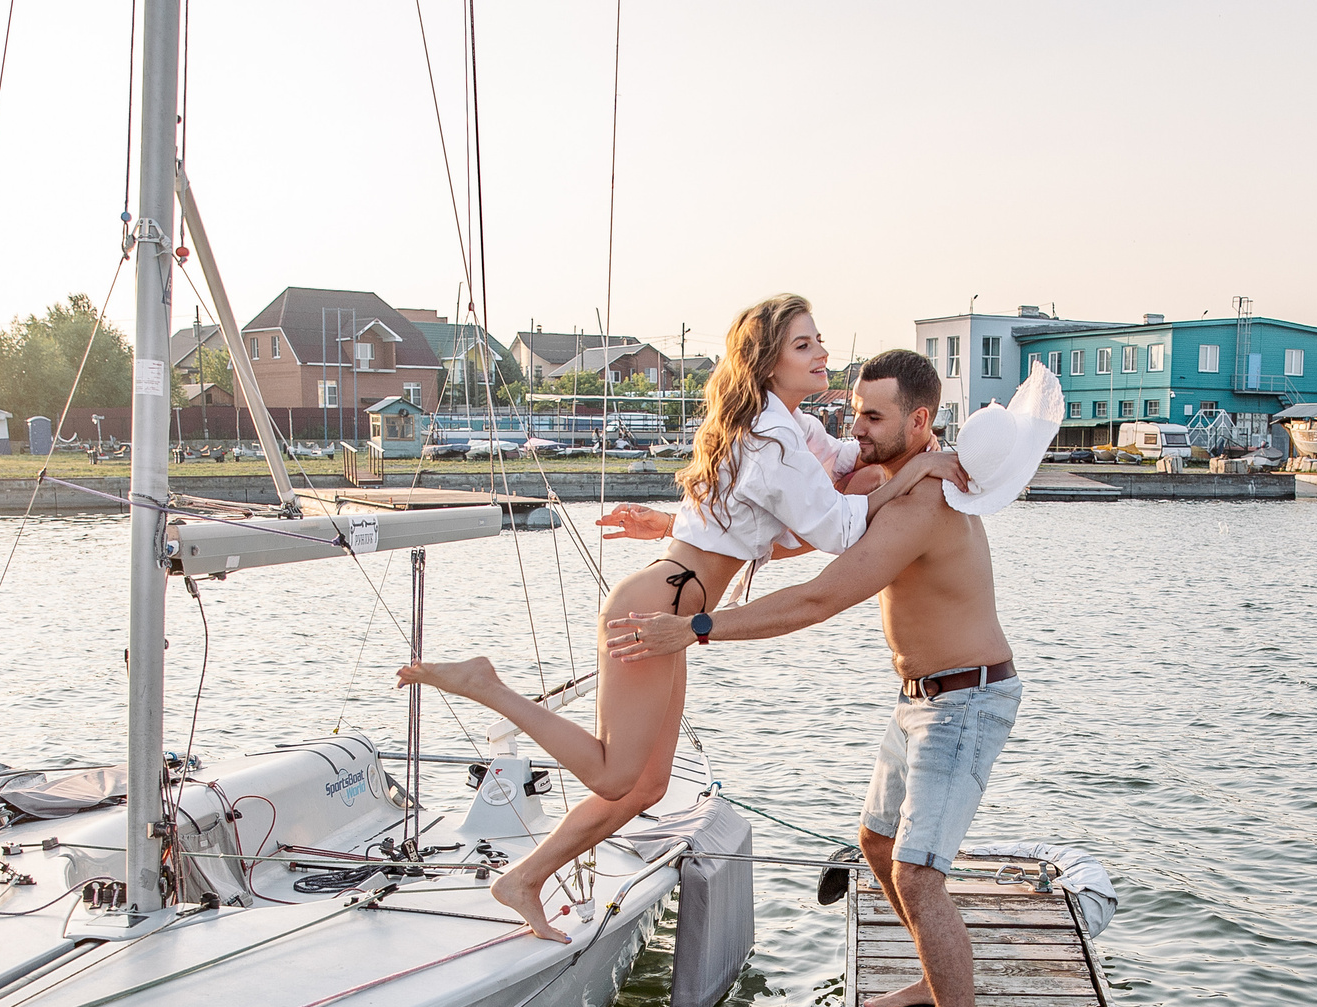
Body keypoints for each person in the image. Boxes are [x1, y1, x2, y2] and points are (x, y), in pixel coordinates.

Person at [397, 294, 964, 942]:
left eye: (819, 341)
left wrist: (905, 450)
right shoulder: (774, 440)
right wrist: (914, 470)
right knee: (615, 773)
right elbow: (838, 529)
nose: (822, 354)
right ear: (769, 361)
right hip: (657, 606)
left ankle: (524, 879)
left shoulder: (789, 428)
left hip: (671, 598)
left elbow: (842, 467)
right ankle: (486, 683)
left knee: (645, 786)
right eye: (804, 344)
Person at [605, 349, 1055, 1007]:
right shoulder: (899, 476)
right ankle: (930, 970)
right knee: (877, 844)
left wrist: (697, 627)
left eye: (873, 417)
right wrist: (674, 525)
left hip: (967, 701)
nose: (856, 430)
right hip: (922, 696)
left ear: (919, 420)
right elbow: (796, 528)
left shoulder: (926, 501)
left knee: (918, 874)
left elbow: (818, 599)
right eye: (854, 412)